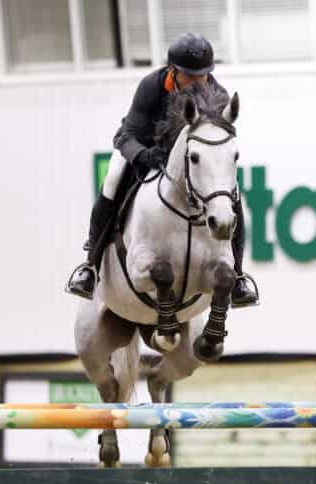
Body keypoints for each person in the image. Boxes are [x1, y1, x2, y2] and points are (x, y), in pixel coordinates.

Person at [66, 33, 259, 307]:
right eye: (189, 76)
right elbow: (127, 135)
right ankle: (90, 265)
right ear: (173, 71)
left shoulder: (218, 96)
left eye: (202, 75)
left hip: (190, 159)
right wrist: (143, 155)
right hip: (142, 147)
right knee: (112, 179)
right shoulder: (151, 86)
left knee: (231, 193)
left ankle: (238, 275)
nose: (196, 82)